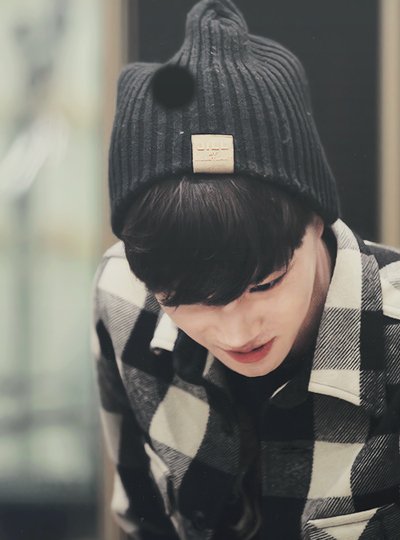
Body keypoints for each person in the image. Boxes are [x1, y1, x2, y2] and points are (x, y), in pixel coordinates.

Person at [91, 0, 400, 538]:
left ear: (316, 221)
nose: (236, 332)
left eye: (264, 283)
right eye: (182, 298)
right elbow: (143, 520)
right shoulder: (123, 296)